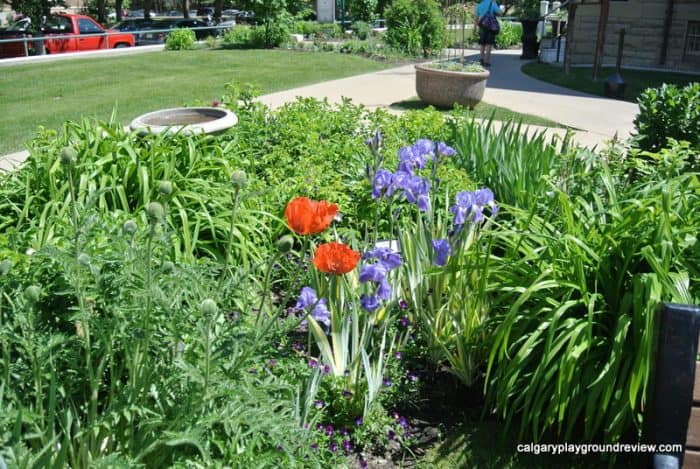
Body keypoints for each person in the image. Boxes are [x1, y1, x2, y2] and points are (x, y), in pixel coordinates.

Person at [475, 0, 502, 67]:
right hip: (490, 27)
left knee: (482, 43)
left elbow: (476, 18)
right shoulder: (492, 3)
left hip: (482, 26)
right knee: (489, 44)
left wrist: (474, 28)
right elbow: (499, 13)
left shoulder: (479, 5)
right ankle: (486, 61)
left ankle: (481, 59)